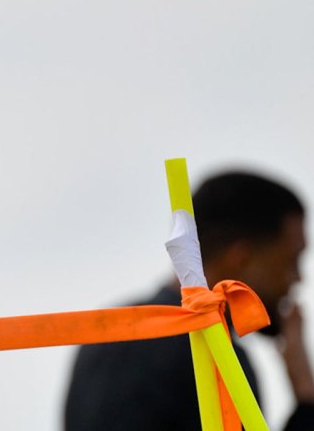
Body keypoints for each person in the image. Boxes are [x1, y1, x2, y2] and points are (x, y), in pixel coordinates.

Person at [64, 170, 314, 430]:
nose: (298, 279)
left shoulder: (102, 339)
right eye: (291, 261)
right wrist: (306, 397)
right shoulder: (216, 359)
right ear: (242, 258)